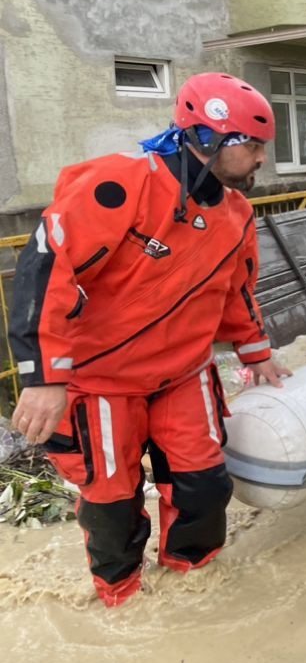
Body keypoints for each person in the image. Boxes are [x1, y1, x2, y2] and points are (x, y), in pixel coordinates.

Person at [7, 72, 290, 607]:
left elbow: (237, 291)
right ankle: (121, 598)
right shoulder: (124, 184)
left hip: (182, 373)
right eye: (251, 144)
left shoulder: (237, 214)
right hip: (101, 381)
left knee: (205, 486)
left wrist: (259, 354)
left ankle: (193, 578)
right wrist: (42, 377)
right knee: (111, 502)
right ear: (207, 140)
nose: (260, 159)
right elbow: (47, 266)